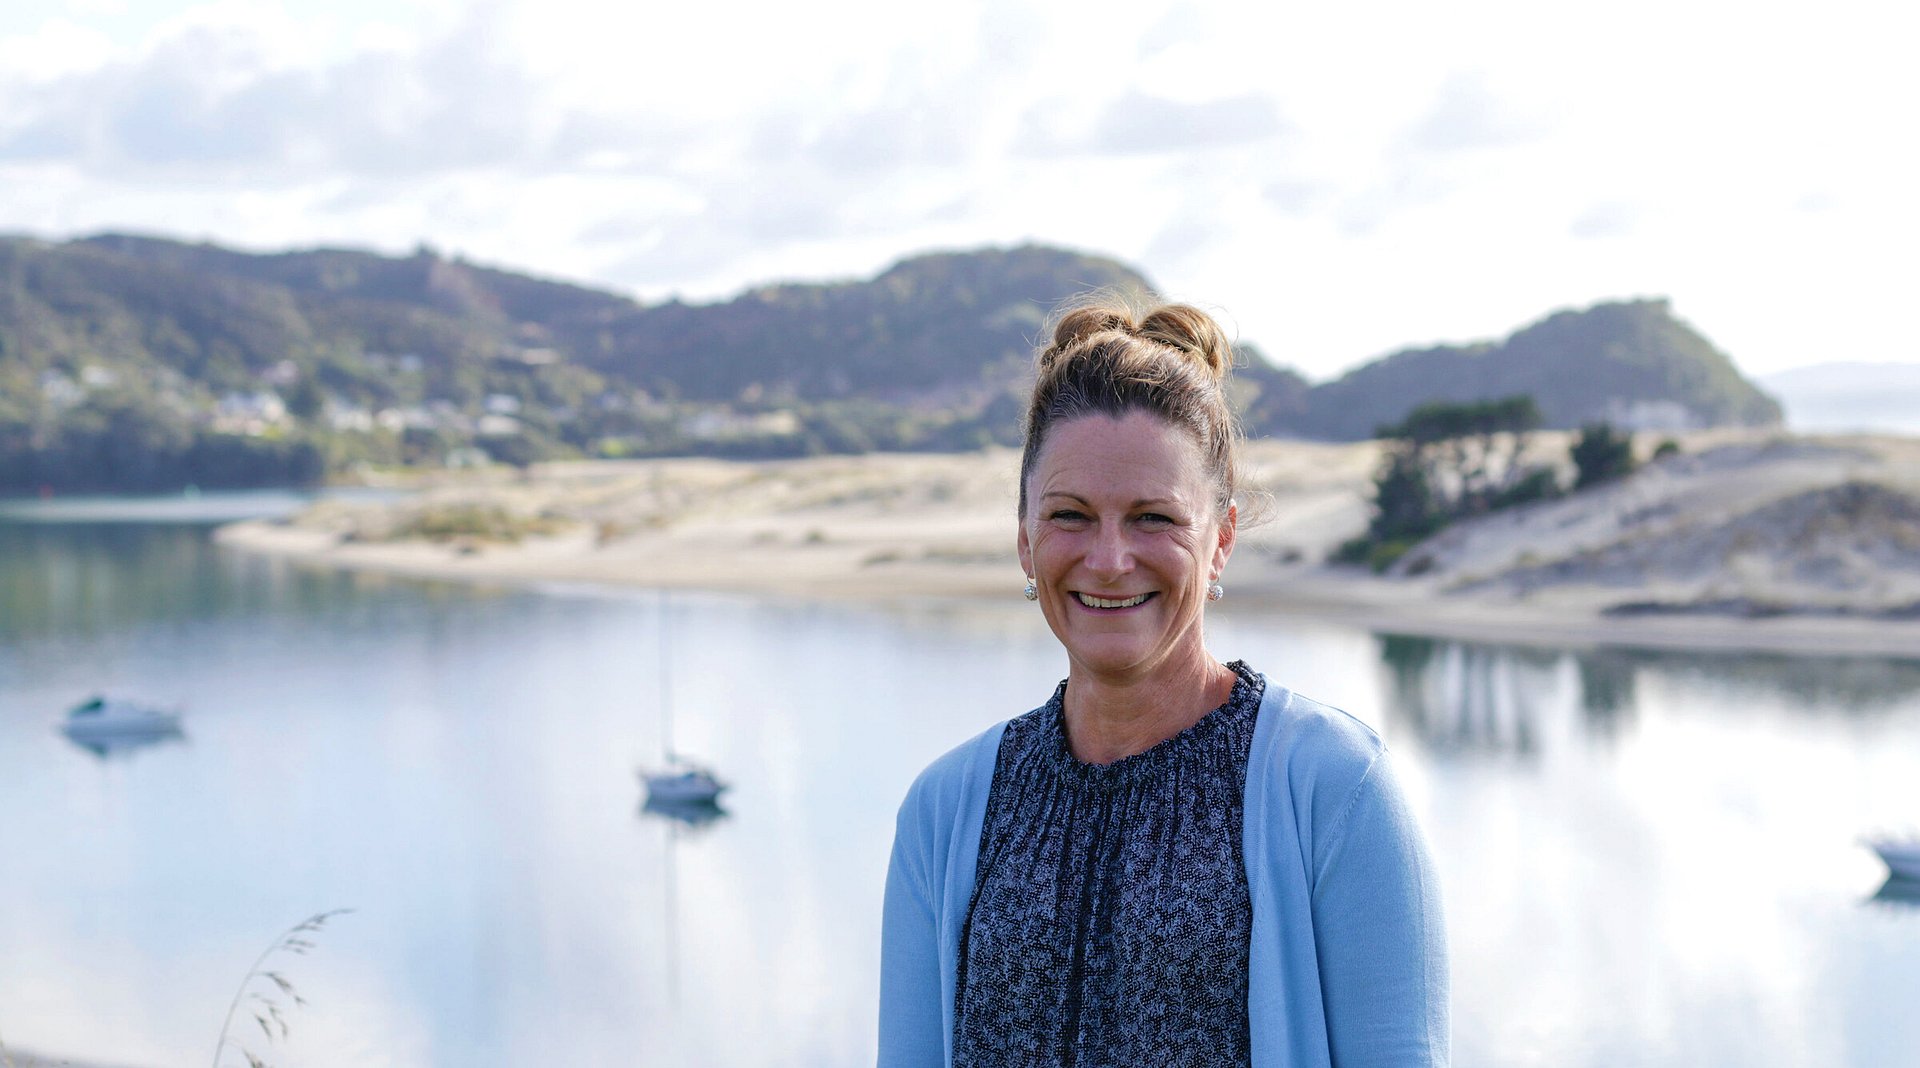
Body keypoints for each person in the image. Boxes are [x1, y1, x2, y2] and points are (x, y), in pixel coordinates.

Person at [877, 298, 1449, 1067]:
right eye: (1071, 515)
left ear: (1221, 539)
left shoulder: (1335, 790)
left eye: (1153, 518)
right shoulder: (945, 813)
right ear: (1024, 538)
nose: (1110, 560)